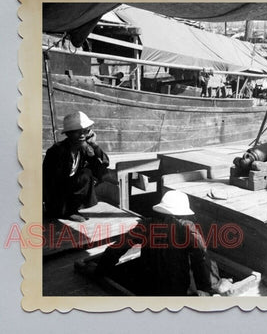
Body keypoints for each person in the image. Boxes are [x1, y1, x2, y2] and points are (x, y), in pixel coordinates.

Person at [95, 190, 232, 296]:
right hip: (175, 291)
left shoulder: (146, 225)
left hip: (148, 286)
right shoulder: (188, 229)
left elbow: (118, 247)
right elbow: (202, 261)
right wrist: (214, 285)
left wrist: (99, 269)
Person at [43, 111, 109, 222]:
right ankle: (66, 212)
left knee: (91, 173)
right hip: (55, 198)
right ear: (68, 134)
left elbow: (103, 166)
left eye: (85, 131)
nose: (82, 135)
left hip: (68, 195)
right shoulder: (57, 151)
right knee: (85, 175)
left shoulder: (83, 148)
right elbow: (49, 184)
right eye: (77, 132)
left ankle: (71, 210)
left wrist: (94, 146)